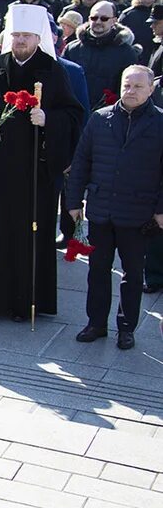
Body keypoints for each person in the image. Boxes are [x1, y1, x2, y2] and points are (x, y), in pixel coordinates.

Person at [0, 3, 84, 320]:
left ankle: (23, 301)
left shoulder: (53, 71)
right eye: (16, 35)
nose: (21, 41)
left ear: (38, 38)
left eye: (26, 35)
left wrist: (48, 119)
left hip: (33, 173)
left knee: (27, 237)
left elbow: (75, 115)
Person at [66, 65, 163, 351]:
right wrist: (73, 201)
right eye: (126, 85)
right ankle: (96, 322)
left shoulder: (160, 123)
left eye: (137, 86)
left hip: (138, 212)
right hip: (101, 209)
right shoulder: (100, 118)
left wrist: (160, 209)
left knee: (132, 274)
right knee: (97, 269)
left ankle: (126, 328)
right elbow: (81, 161)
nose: (130, 91)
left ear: (151, 89)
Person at [64, 0, 142, 108]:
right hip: (74, 110)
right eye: (94, 18)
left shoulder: (126, 52)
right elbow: (62, 81)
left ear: (114, 20)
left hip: (108, 114)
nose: (98, 21)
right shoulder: (72, 49)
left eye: (104, 18)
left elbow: (129, 87)